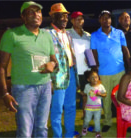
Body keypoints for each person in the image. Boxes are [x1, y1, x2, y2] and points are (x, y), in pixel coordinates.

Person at [0, 1, 57, 137]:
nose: (36, 14)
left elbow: (54, 61)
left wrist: (52, 65)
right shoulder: (12, 35)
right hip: (24, 89)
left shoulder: (46, 36)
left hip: (45, 87)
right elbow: (1, 67)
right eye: (31, 12)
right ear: (23, 17)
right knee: (25, 131)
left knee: (42, 128)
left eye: (39, 11)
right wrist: (5, 93)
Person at [90, 10, 130, 132]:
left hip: (119, 71)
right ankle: (107, 121)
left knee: (121, 98)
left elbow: (125, 50)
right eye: (103, 18)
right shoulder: (94, 35)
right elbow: (93, 53)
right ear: (99, 20)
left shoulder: (119, 33)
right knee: (106, 99)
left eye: (108, 18)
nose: (106, 20)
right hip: (103, 72)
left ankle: (124, 121)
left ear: (111, 20)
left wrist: (130, 67)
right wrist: (95, 70)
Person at [45, 3, 79, 137]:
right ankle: (57, 136)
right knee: (57, 109)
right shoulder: (47, 33)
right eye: (61, 16)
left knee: (71, 107)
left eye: (66, 16)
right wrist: (49, 80)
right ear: (53, 17)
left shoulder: (68, 33)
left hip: (70, 72)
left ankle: (69, 134)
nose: (65, 19)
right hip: (57, 75)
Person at [67, 11, 91, 119]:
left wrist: (91, 61)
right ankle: (70, 121)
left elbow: (90, 52)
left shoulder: (88, 35)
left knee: (87, 95)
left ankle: (86, 117)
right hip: (74, 70)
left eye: (81, 19)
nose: (80, 21)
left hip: (87, 71)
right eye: (77, 19)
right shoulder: (67, 34)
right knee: (73, 97)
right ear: (72, 21)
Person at [81, 70, 106, 137]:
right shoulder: (87, 86)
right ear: (88, 79)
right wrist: (79, 91)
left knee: (97, 120)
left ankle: (97, 132)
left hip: (98, 108)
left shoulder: (100, 86)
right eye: (92, 78)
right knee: (87, 119)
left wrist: (100, 94)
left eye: (96, 77)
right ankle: (85, 127)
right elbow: (85, 93)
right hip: (89, 108)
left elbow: (105, 94)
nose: (95, 79)